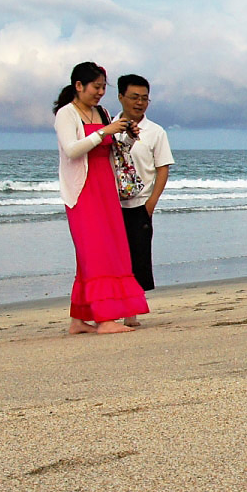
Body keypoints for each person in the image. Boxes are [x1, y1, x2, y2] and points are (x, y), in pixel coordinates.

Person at [53, 62, 149, 334]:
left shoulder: (102, 112)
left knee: (106, 250)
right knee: (95, 252)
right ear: (79, 86)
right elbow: (72, 150)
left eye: (103, 87)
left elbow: (114, 149)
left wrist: (128, 136)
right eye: (96, 87)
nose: (100, 92)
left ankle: (78, 320)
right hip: (83, 191)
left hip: (105, 187)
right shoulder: (66, 114)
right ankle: (105, 319)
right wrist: (104, 132)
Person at [114, 74, 174, 327]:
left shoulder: (155, 132)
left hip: (140, 204)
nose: (140, 103)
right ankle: (110, 308)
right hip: (110, 204)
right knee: (113, 257)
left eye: (144, 98)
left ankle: (132, 312)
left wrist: (151, 204)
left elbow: (163, 168)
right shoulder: (109, 126)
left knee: (138, 258)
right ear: (121, 97)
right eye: (134, 97)